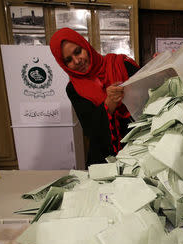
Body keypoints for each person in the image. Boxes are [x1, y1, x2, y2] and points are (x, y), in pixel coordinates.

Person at [50, 28, 139, 167]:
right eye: (68, 60)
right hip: (105, 160)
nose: (77, 60)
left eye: (78, 51)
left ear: (85, 46)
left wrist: (159, 67)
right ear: (63, 65)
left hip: (139, 150)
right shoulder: (74, 88)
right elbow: (90, 129)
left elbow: (151, 93)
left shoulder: (121, 64)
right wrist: (109, 103)